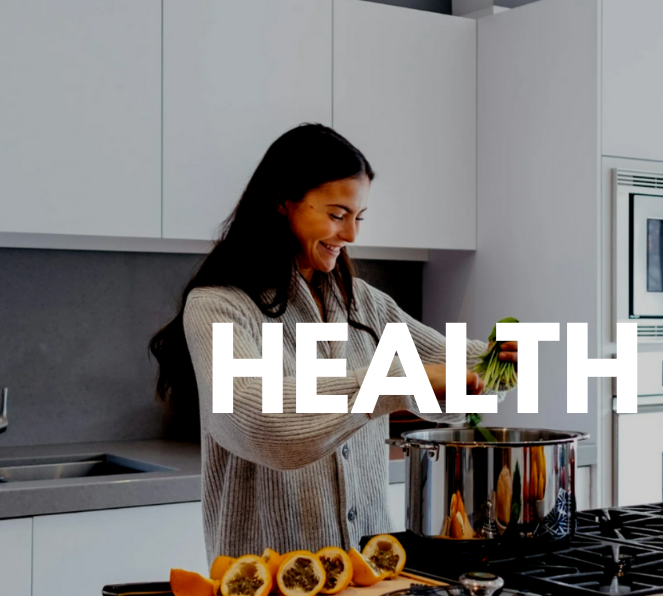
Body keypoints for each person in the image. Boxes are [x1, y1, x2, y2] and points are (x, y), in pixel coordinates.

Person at [149, 124, 514, 559]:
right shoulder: (219, 308)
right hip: (267, 587)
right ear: (283, 202)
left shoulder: (364, 305)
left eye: (358, 218)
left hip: (373, 577)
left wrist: (499, 361)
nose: (352, 236)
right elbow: (262, 424)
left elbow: (447, 382)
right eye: (338, 215)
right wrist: (395, 381)